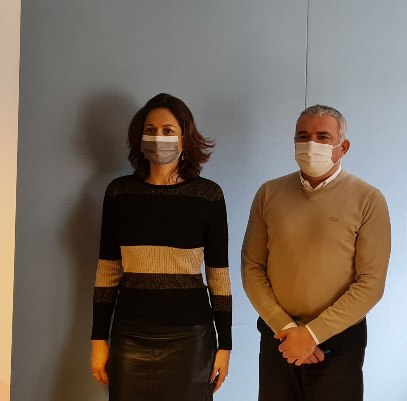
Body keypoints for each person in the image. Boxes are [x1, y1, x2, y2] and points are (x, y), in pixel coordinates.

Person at [241, 104, 391, 400]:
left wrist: (311, 335)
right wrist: (288, 330)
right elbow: (252, 267)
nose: (311, 144)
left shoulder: (369, 199)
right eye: (303, 136)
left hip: (338, 343)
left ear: (343, 147)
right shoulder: (268, 193)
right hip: (278, 338)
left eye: (323, 137)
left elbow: (370, 283)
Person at [89, 93, 231, 400]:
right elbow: (107, 272)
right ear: (139, 136)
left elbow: (218, 276)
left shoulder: (208, 196)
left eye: (168, 130)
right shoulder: (119, 193)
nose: (158, 137)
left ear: (184, 137)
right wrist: (99, 339)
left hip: (191, 338)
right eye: (150, 130)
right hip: (130, 335)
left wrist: (225, 345)